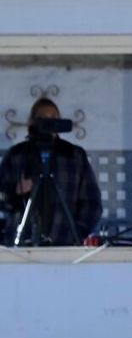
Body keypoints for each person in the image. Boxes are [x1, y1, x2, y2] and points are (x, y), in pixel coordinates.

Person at [1, 97, 103, 246]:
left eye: (54, 119)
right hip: (22, 246)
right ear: (32, 122)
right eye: (43, 119)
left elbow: (92, 202)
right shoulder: (17, 155)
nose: (48, 124)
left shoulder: (74, 155)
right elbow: (2, 198)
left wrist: (77, 232)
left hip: (65, 244)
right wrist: (15, 191)